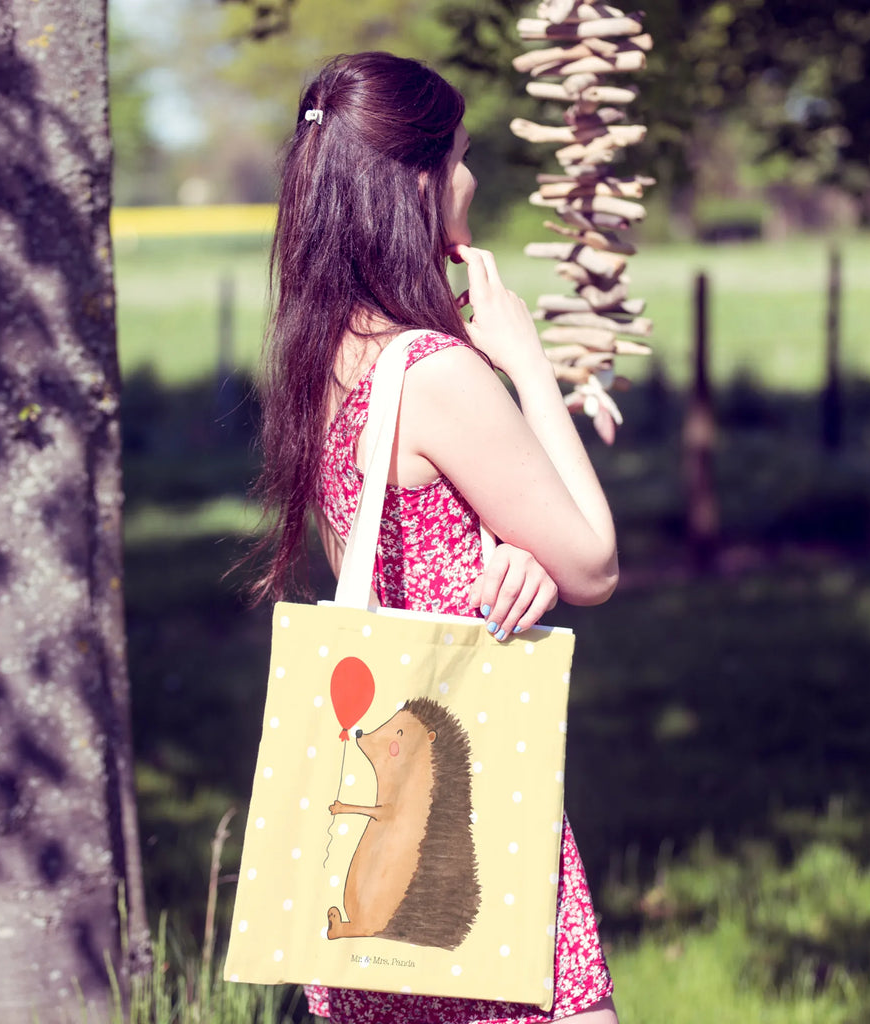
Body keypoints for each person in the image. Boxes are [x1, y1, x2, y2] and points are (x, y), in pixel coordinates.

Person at [249, 51, 620, 1024]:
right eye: (457, 157)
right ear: (417, 181)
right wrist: (527, 364)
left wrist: (507, 552)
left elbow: (386, 557)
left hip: (375, 831)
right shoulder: (436, 373)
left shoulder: (325, 356)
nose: (470, 179)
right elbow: (594, 562)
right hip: (469, 806)